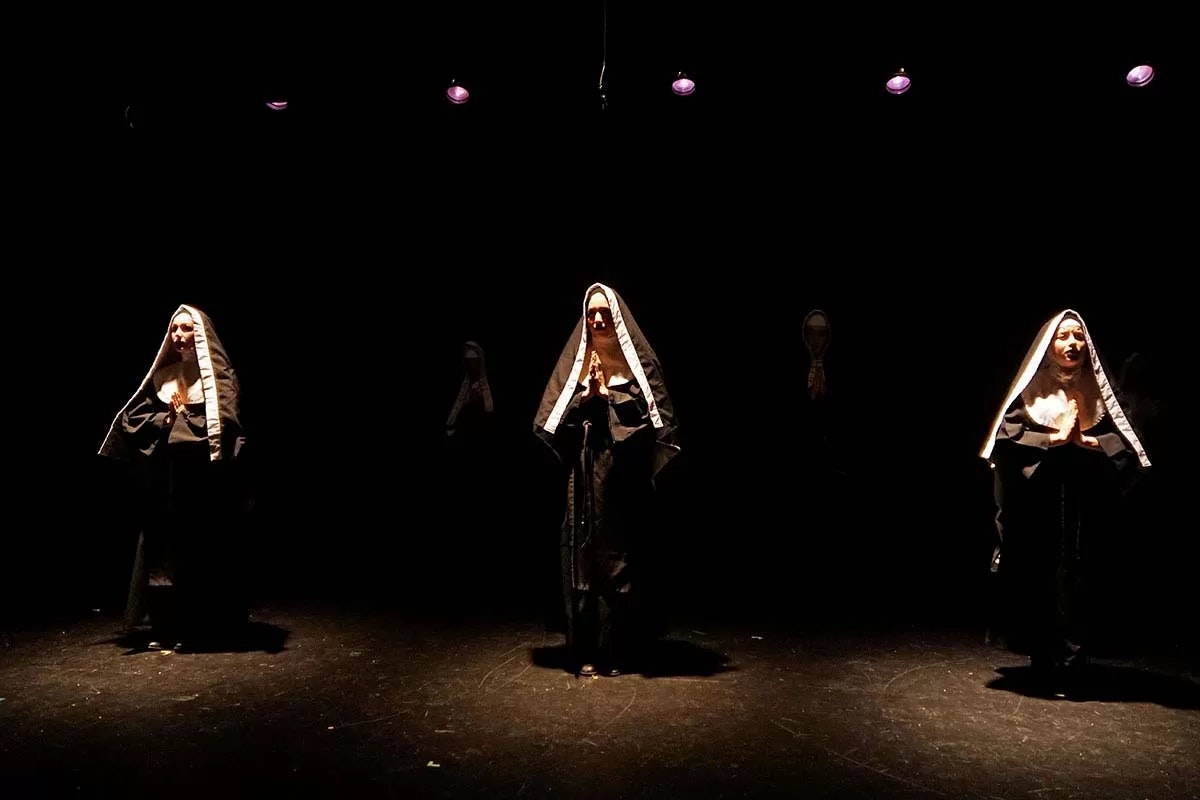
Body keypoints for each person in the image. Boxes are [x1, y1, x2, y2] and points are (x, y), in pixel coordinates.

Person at [980, 309, 1150, 686]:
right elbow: (1006, 442)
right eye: (1064, 337)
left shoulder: (1102, 391)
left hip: (1086, 507)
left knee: (1080, 578)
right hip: (1039, 504)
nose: (1072, 344)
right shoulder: (1030, 388)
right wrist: (1053, 440)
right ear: (1048, 344)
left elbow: (1129, 445)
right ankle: (1043, 659)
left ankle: (1075, 665)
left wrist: (1089, 442)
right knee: (1041, 576)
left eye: (1078, 337)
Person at [534, 283, 680, 677]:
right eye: (591, 313)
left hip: (619, 478)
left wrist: (611, 398)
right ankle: (583, 649)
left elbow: (650, 419)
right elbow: (553, 420)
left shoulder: (632, 369)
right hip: (582, 477)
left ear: (615, 318)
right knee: (582, 558)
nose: (597, 319)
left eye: (603, 312)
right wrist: (585, 398)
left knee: (617, 560)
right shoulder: (577, 364)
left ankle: (615, 649)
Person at [98, 304, 251, 652]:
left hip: (203, 485)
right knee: (164, 554)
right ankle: (167, 626)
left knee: (202, 551)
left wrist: (185, 418)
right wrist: (168, 420)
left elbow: (226, 431)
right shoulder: (164, 378)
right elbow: (135, 424)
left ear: (202, 335)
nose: (179, 336)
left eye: (186, 329)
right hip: (168, 482)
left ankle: (206, 626)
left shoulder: (220, 383)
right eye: (174, 330)